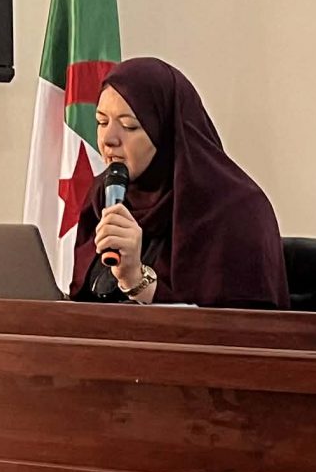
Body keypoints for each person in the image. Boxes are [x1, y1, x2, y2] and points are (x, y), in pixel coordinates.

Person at [72, 56, 290, 309]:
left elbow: (240, 326)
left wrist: (137, 280)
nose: (108, 139)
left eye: (129, 126)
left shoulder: (237, 210)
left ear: (166, 132)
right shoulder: (105, 195)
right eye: (101, 122)